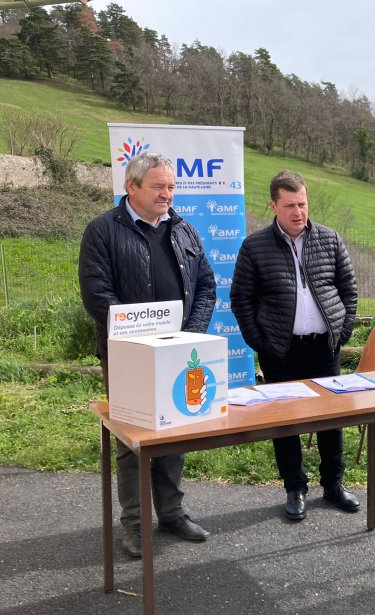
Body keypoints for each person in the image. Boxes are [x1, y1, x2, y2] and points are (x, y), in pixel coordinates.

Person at [79, 152, 216, 558]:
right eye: (159, 187)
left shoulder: (184, 229)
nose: (167, 194)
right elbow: (96, 293)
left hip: (177, 353)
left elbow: (206, 285)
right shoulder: (103, 230)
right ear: (131, 187)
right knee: (132, 441)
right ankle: (136, 526)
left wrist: (188, 337)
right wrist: (139, 340)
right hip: (128, 358)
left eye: (171, 187)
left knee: (174, 435)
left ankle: (172, 513)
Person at [230, 170, 359, 521]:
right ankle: (295, 488)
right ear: (273, 205)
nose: (298, 212)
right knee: (285, 423)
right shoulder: (254, 246)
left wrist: (341, 331)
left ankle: (333, 485)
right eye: (289, 205)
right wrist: (261, 342)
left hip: (324, 349)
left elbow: (349, 290)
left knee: (331, 420)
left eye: (302, 203)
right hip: (281, 353)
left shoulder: (330, 240)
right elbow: (240, 298)